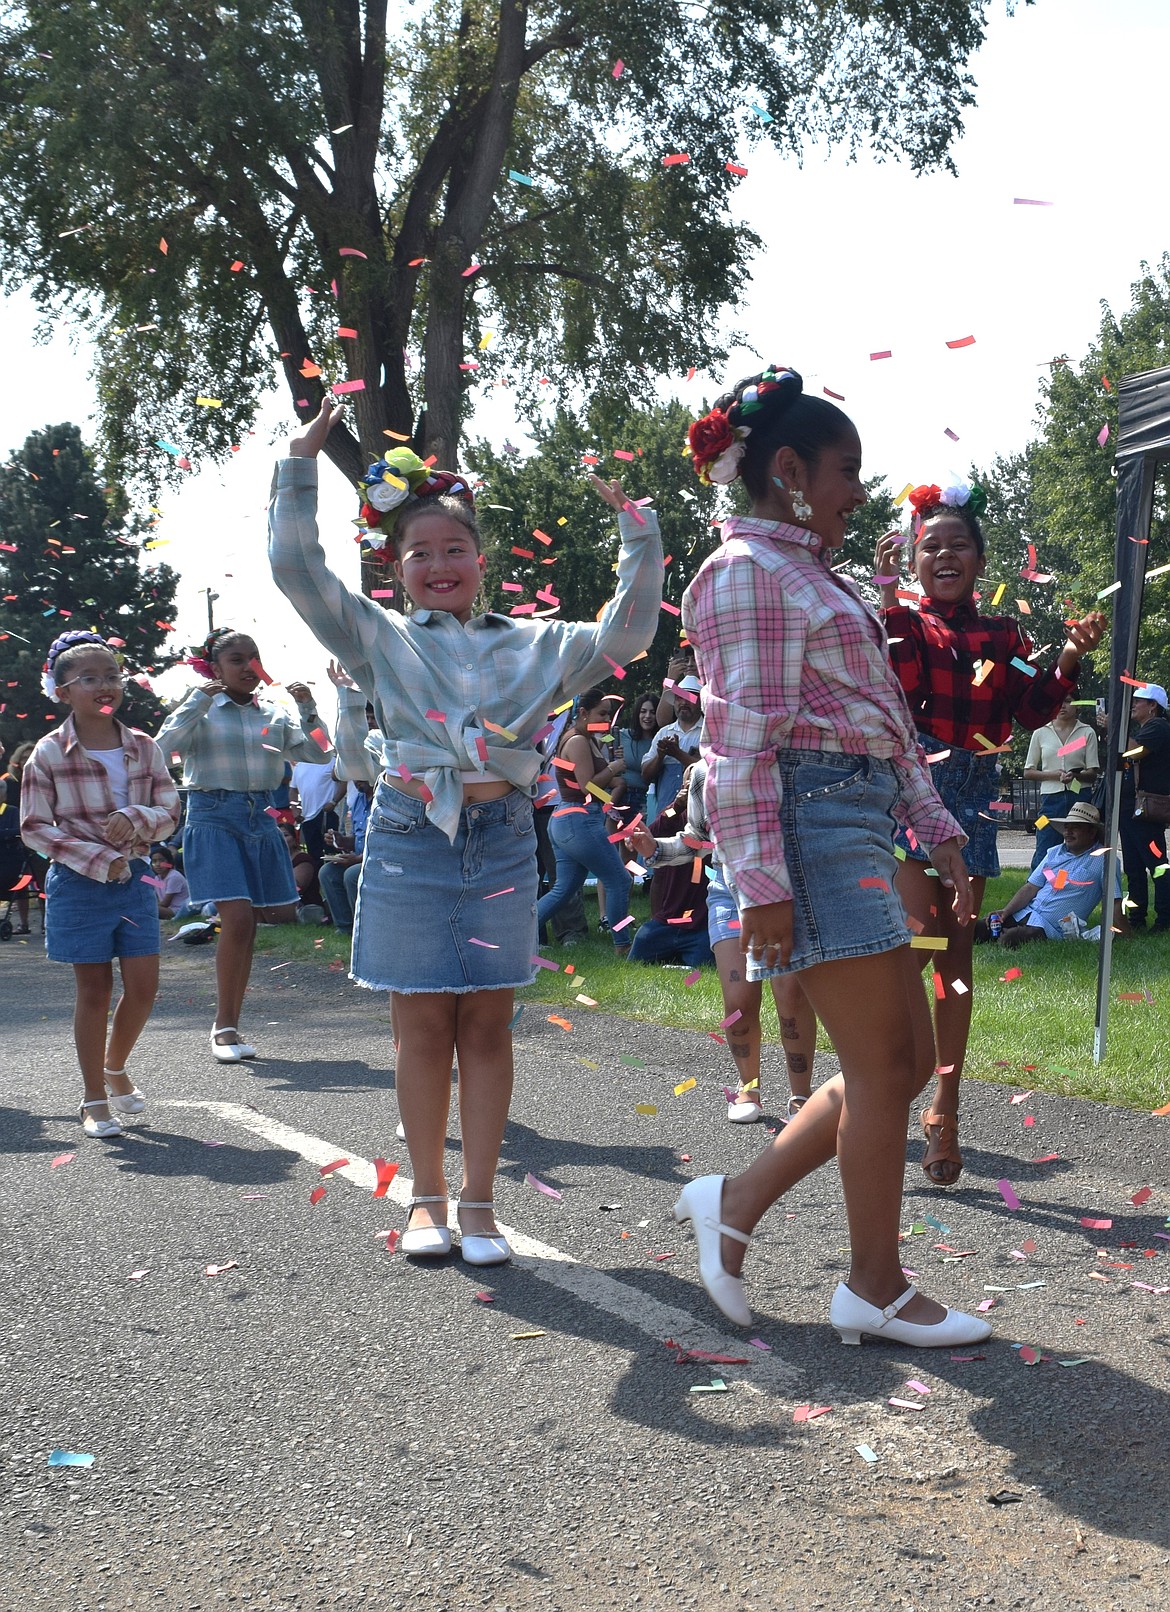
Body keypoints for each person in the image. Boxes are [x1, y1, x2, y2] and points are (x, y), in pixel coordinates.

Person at [268, 401, 661, 1264]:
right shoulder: (377, 637)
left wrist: (638, 533)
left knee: (486, 1026)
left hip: (502, 836)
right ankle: (428, 1200)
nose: (439, 564)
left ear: (481, 559)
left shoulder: (539, 644)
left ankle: (479, 1204)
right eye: (419, 553)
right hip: (410, 834)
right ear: (395, 566)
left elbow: (630, 631)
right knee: (419, 1031)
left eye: (454, 549)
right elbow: (297, 569)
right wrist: (298, 467)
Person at [673, 364, 990, 1349]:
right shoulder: (744, 576)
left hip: (850, 821)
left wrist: (938, 831)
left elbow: (884, 727)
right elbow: (738, 746)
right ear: (790, 469)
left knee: (896, 1058)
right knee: (889, 1058)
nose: (860, 489)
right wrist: (759, 883)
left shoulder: (815, 576)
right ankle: (875, 1283)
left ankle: (734, 1204)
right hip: (804, 825)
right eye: (846, 469)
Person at [874, 490, 1104, 1185]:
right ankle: (879, 1074)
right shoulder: (902, 622)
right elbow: (895, 681)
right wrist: (887, 601)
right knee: (917, 941)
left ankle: (944, 1107)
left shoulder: (1006, 637)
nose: (944, 555)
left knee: (957, 955)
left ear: (979, 558)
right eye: (931, 545)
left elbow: (1033, 706)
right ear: (913, 559)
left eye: (958, 545)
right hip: (913, 785)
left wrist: (1067, 655)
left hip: (974, 792)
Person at [20, 630, 179, 1137]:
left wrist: (136, 818)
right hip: (77, 883)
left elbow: (171, 810)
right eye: (88, 678)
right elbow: (34, 826)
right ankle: (93, 1098)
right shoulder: (46, 753)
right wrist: (95, 858)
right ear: (62, 690)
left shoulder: (145, 746)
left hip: (133, 881)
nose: (104, 685)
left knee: (144, 987)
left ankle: (115, 1067)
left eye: (112, 675)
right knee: (94, 989)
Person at [157, 627, 334, 1062]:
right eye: (236, 659)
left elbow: (322, 754)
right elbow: (161, 748)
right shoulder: (200, 709)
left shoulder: (274, 713)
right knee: (237, 919)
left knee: (267, 918)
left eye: (253, 658)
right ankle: (224, 1027)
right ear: (214, 668)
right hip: (212, 814)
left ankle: (230, 1020)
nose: (248, 667)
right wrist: (197, 701)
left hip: (261, 818)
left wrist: (308, 707)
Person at [633, 759, 817, 1125]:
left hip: (784, 895)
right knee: (738, 1001)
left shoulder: (788, 760)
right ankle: (748, 1087)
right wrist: (654, 847)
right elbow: (696, 842)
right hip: (728, 894)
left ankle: (801, 1095)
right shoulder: (704, 772)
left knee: (790, 998)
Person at [538, 686, 636, 951]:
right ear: (583, 713)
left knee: (564, 889)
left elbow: (603, 784)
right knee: (620, 880)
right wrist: (614, 769)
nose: (607, 720)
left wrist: (615, 781)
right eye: (602, 714)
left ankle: (521, 937)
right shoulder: (578, 741)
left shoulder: (586, 738)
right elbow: (587, 787)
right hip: (578, 820)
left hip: (567, 820)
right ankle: (623, 944)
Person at [978, 801, 1127, 946]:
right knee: (978, 927)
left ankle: (1006, 935)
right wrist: (1006, 911)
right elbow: (1031, 887)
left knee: (1011, 938)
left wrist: (1126, 934)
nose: (1068, 832)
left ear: (1092, 832)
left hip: (1052, 928)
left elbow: (1114, 901)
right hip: (1026, 913)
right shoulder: (1054, 852)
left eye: (1075, 828)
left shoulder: (1104, 860)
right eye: (1066, 827)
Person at [626, 767, 713, 968]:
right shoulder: (675, 814)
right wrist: (678, 805)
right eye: (690, 783)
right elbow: (654, 834)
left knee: (705, 963)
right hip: (668, 920)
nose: (694, 788)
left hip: (701, 924)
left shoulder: (712, 821)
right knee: (639, 952)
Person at [1023, 693, 1100, 869]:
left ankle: (1072, 888)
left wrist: (1075, 776)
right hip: (1050, 800)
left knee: (1079, 848)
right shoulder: (1041, 732)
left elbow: (1092, 772)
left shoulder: (1087, 732)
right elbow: (1028, 771)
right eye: (1057, 701)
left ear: (1078, 704)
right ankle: (1038, 891)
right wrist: (1053, 775)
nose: (1062, 706)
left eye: (1067, 701)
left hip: (1080, 798)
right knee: (1045, 845)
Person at [1118, 683, 1170, 932]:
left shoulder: (1158, 727)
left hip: (1147, 812)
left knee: (1157, 865)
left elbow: (1135, 752)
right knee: (1134, 867)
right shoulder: (1144, 729)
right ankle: (1137, 918)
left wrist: (1115, 727)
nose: (1133, 705)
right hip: (1132, 810)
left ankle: (1165, 918)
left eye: (1139, 701)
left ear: (1153, 706)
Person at [641, 673, 702, 815]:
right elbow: (645, 776)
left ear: (701, 702)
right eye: (680, 697)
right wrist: (660, 756)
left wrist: (677, 753)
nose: (683, 702)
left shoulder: (708, 731)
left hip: (695, 814)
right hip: (666, 813)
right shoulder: (663, 733)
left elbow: (709, 772)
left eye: (690, 698)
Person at [0, 740, 35, 933]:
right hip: (14, 841)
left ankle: (40, 923)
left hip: (33, 834)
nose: (27, 759)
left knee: (32, 880)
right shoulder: (9, 783)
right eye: (23, 757)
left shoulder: (44, 776)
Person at [615, 692, 660, 828]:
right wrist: (612, 751)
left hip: (640, 800)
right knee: (610, 844)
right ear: (637, 714)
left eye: (652, 712)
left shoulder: (658, 741)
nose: (647, 716)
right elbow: (599, 741)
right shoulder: (622, 734)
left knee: (632, 845)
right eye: (643, 711)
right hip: (615, 797)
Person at [291, 755, 344, 861]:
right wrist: (294, 808)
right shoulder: (300, 766)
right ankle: (316, 877)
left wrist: (334, 802)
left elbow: (344, 782)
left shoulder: (332, 762)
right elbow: (293, 789)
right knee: (313, 856)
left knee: (332, 854)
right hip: (307, 818)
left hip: (328, 814)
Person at [278, 820, 328, 923]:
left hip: (303, 904)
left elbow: (298, 888)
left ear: (294, 839)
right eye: (277, 836)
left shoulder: (302, 859)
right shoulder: (273, 859)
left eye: (285, 835)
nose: (281, 839)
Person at [149, 847, 191, 918]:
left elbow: (165, 903)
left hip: (179, 910)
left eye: (162, 861)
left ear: (169, 862)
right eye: (154, 861)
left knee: (149, 909)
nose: (158, 864)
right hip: (167, 908)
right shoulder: (157, 878)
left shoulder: (174, 877)